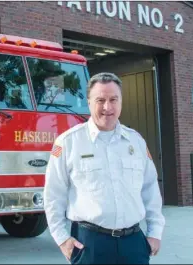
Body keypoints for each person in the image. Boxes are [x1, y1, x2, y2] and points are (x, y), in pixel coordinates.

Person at [43, 72, 165, 264]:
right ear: (89, 102)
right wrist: (62, 239)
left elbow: (150, 189)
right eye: (100, 100)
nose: (107, 107)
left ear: (121, 102)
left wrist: (155, 232)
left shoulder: (136, 141)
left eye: (113, 100)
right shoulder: (68, 142)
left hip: (134, 243)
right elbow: (53, 195)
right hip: (90, 245)